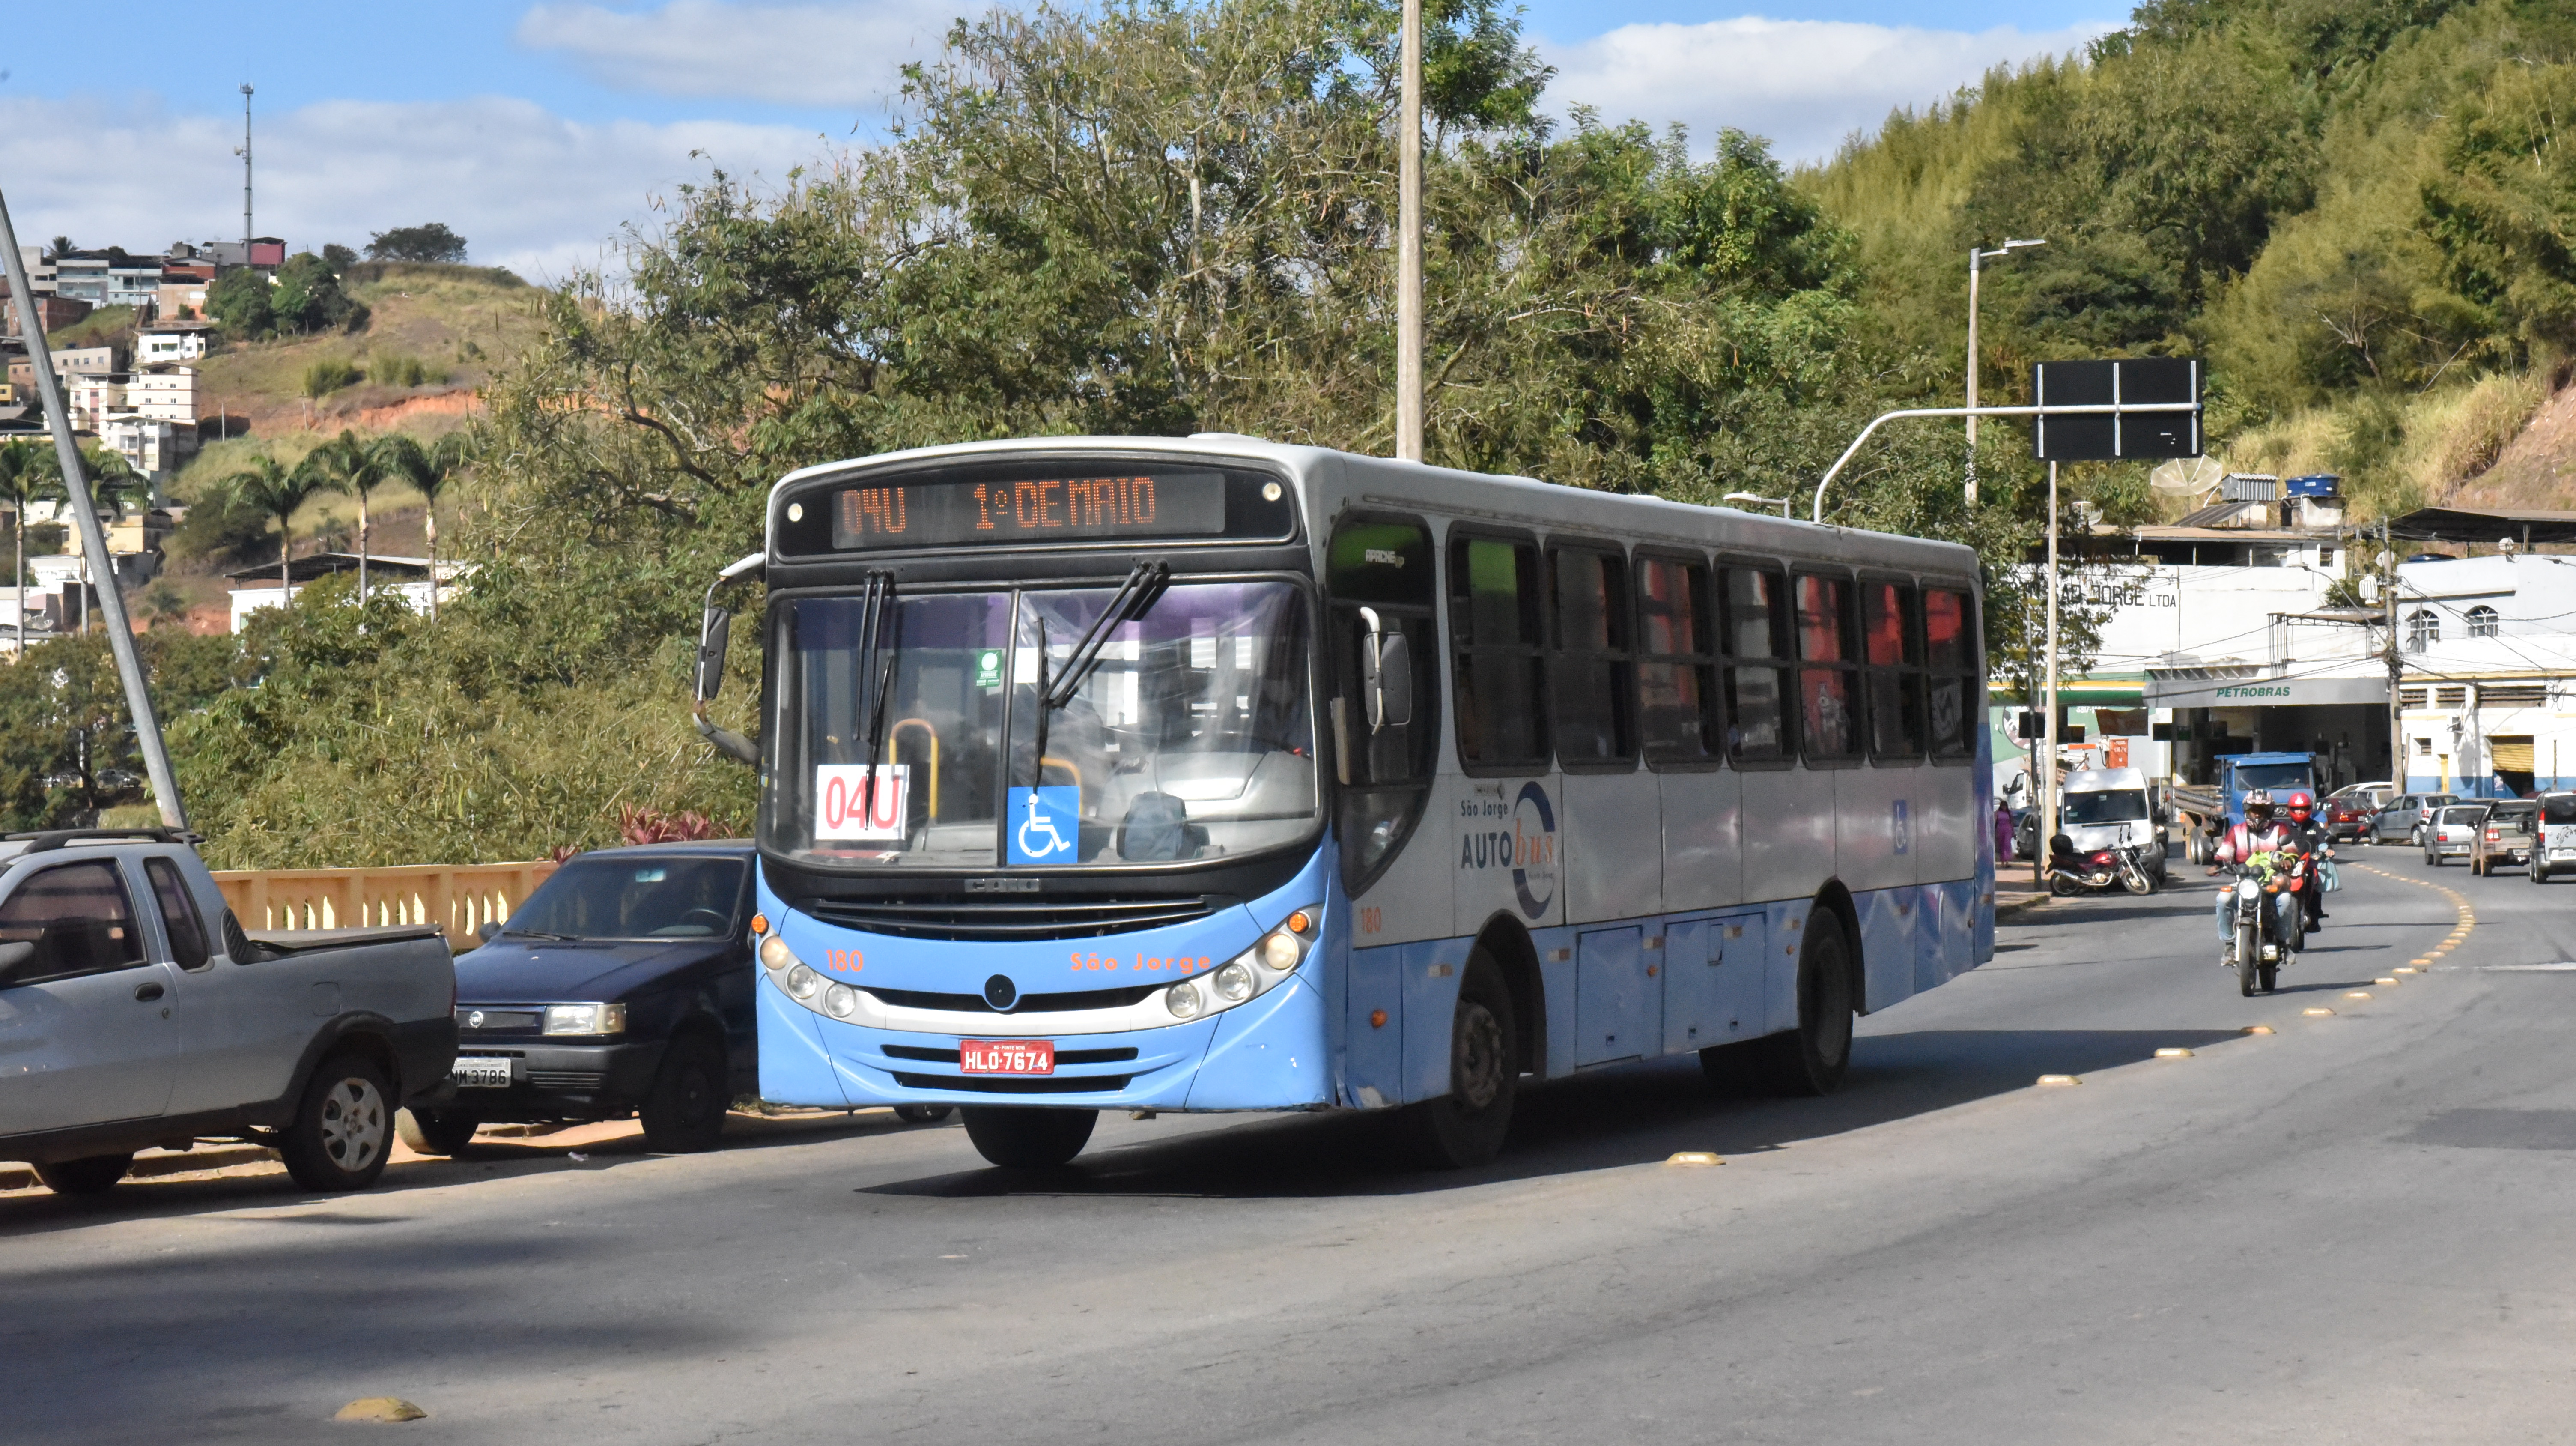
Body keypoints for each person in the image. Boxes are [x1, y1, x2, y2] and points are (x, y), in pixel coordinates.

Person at [2209, 789, 2298, 961]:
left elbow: (2291, 850)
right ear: (2247, 811)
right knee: (2223, 899)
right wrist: (2217, 864)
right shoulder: (2236, 831)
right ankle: (2229, 945)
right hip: (2244, 883)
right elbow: (2225, 852)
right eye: (2253, 810)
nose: (2257, 815)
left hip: (2271, 882)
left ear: (2270, 812)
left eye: (2262, 811)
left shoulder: (2280, 829)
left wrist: (2287, 861)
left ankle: (2283, 945)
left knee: (2285, 900)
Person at [2283, 790, 2332, 930]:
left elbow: (2323, 842)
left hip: (2309, 863)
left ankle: (2315, 915)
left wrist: (2327, 849)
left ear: (2309, 809)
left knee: (2316, 881)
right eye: (2296, 809)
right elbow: (2276, 844)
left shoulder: (2315, 826)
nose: (2299, 812)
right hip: (2287, 864)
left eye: (2303, 809)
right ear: (2290, 810)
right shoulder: (2284, 827)